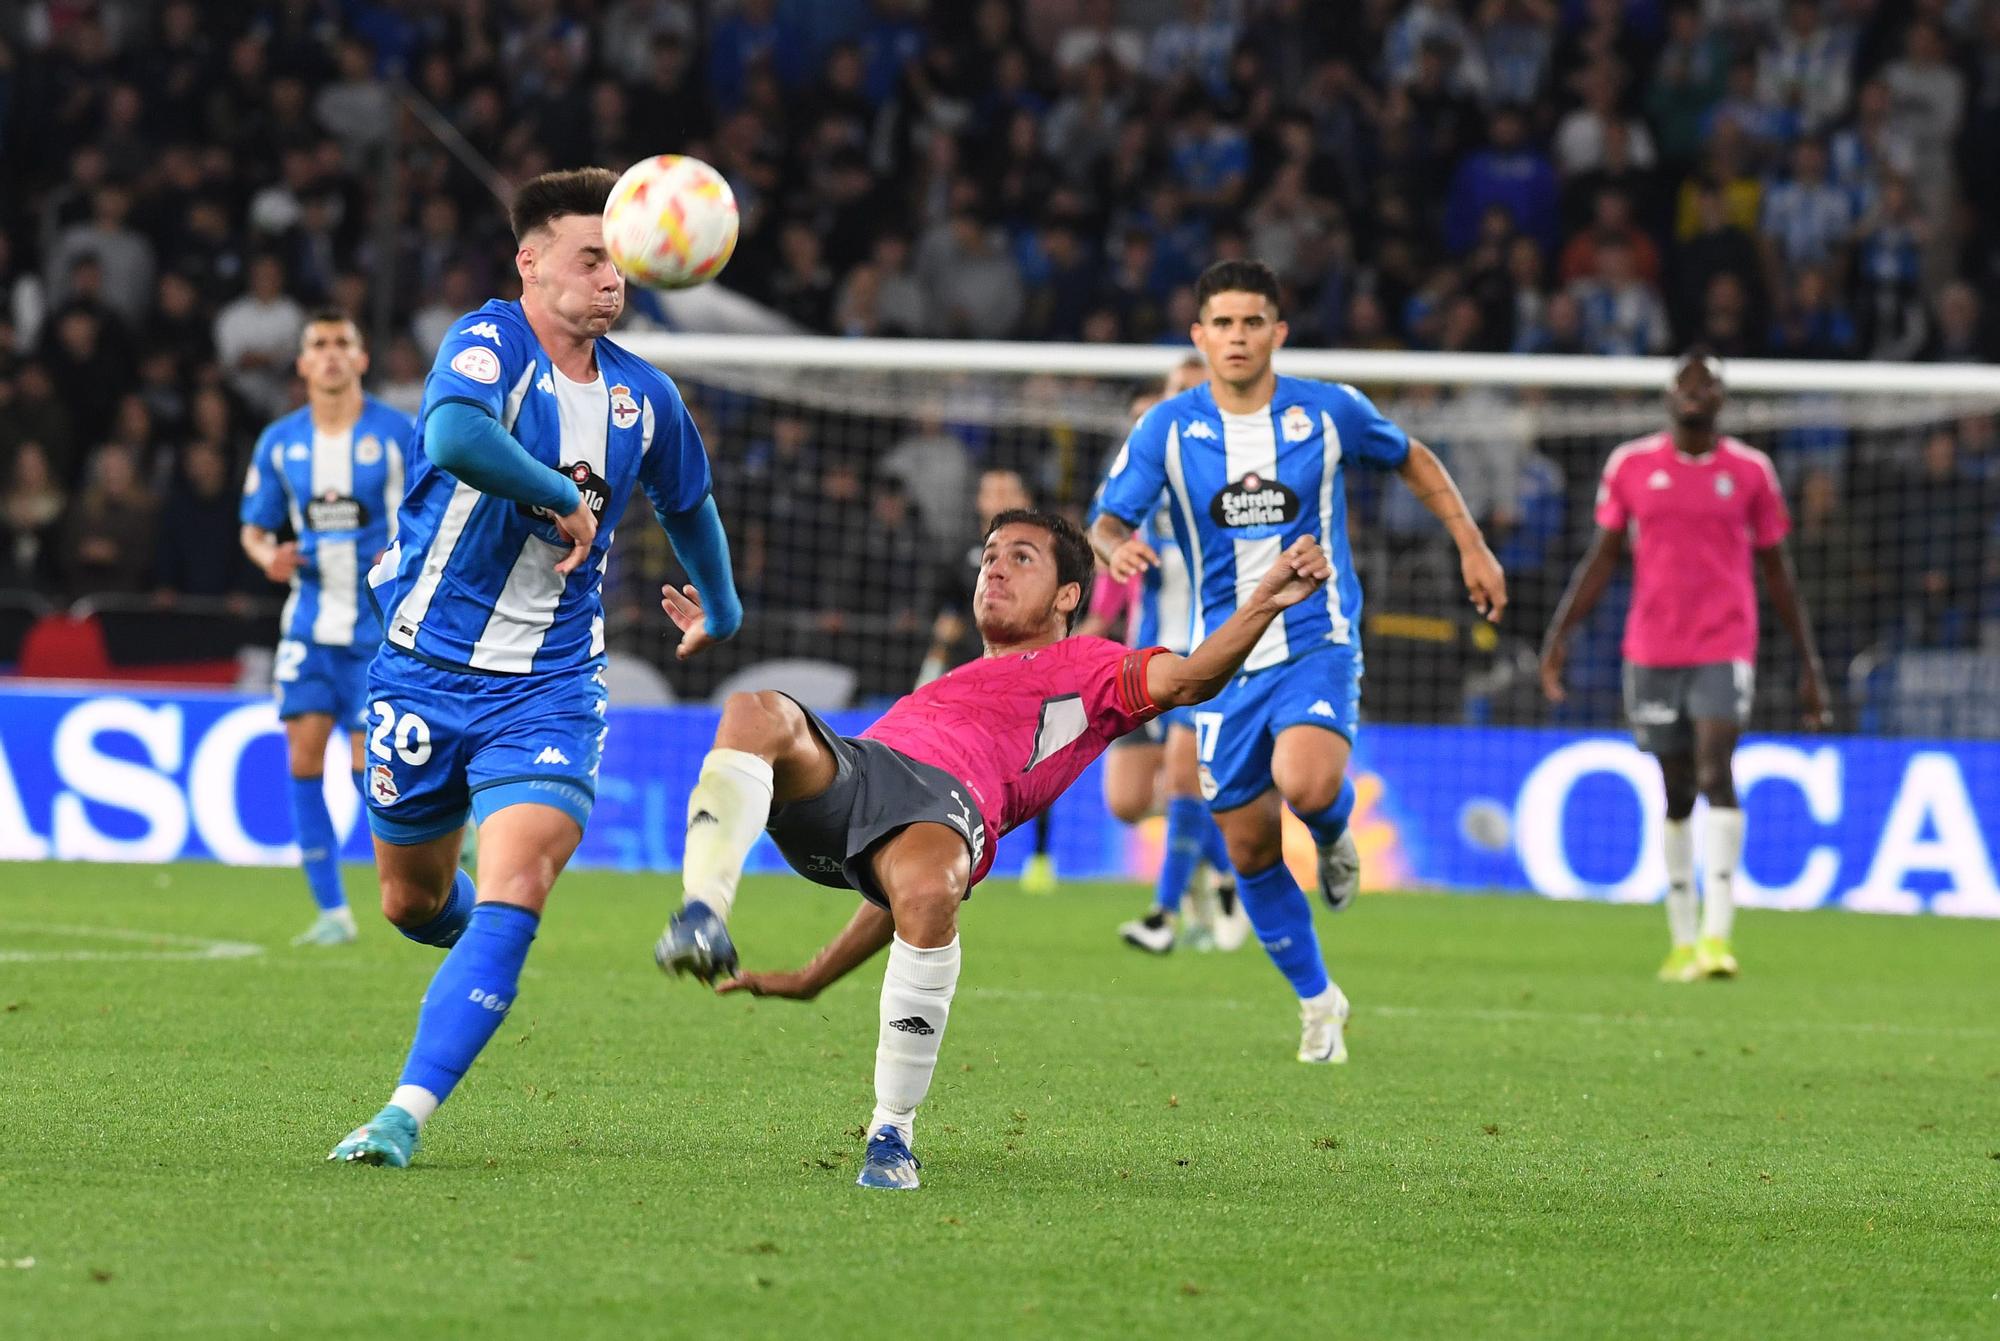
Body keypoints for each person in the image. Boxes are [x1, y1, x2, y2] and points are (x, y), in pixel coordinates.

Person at [654, 511, 1333, 1189]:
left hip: (948, 807)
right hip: (861, 771)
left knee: (925, 888)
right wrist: (813, 977)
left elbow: (1191, 680)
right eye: (989, 556)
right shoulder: (948, 680)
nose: (996, 568)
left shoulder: (1093, 666)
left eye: (1022, 558)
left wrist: (1265, 601)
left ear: (1069, 595)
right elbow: (886, 871)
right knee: (755, 709)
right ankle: (702, 914)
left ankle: (891, 1132)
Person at [328, 169, 742, 1169]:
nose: (610, 280)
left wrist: (721, 607)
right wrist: (560, 489)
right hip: (424, 666)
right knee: (410, 902)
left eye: (621, 262)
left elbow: (686, 502)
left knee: (521, 881)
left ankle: (402, 1115)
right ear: (530, 262)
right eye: (590, 257)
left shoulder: (645, 396)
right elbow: (454, 434)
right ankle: (484, 941)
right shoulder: (488, 342)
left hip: (551, 683)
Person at [1090, 259, 1506, 1061]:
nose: (1238, 337)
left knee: (1307, 780)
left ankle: (1331, 828)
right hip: (1218, 661)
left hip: (1316, 639)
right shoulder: (1168, 429)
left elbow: (1412, 455)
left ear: (1278, 332)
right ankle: (1320, 1002)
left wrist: (1471, 542)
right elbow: (1108, 517)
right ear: (1199, 336)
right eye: (1223, 324)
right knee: (1247, 847)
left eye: (1253, 323)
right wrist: (1115, 548)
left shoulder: (1328, 411)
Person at [1539, 349, 1830, 984]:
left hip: (1725, 644)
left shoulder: (1751, 472)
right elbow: (1601, 558)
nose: (1696, 392)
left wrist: (1810, 663)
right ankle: (1680, 939)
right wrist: (1561, 634)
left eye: (1709, 384)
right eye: (1686, 383)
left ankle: (1717, 938)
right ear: (1669, 396)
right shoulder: (1632, 465)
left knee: (1715, 769)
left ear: (1723, 398)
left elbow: (1779, 573)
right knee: (1676, 790)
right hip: (1651, 649)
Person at [240, 311, 415, 947]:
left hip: (379, 628)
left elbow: (434, 508)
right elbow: (255, 529)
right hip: (310, 625)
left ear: (363, 359)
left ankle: (423, 869)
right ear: (303, 364)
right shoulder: (280, 443)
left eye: (344, 343)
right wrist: (270, 558)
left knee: (369, 771)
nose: (333, 354)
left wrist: (403, 556)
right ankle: (332, 914)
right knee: (303, 757)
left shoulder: (399, 434)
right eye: (320, 345)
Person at [1084, 357, 1247, 955]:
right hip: (1144, 656)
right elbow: (1099, 534)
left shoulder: (1234, 475)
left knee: (1183, 774)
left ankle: (1162, 917)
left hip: (1208, 656)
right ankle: (1223, 867)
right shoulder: (1136, 481)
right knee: (1128, 802)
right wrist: (1113, 553)